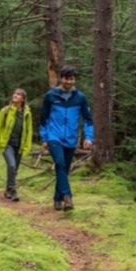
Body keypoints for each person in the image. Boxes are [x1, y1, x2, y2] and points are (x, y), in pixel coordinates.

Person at [39, 65, 94, 211]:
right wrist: (44, 138)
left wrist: (88, 137)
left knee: (63, 169)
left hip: (71, 138)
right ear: (60, 79)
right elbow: (43, 119)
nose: (69, 82)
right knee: (59, 162)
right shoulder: (51, 96)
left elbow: (88, 119)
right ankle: (67, 197)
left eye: (71, 79)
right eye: (66, 79)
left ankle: (57, 198)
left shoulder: (80, 97)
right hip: (54, 136)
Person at [0, 88, 33, 202]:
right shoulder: (5, 111)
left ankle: (7, 190)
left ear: (23, 99)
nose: (15, 95)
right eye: (14, 93)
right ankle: (13, 191)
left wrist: (26, 147)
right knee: (12, 166)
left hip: (19, 144)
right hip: (7, 143)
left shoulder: (27, 113)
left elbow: (29, 131)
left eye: (18, 94)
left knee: (14, 169)